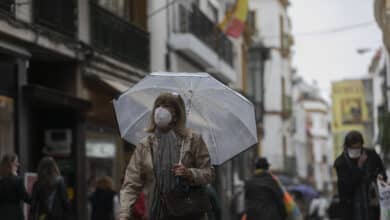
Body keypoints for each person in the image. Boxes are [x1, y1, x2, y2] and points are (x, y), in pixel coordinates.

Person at [119, 93, 213, 220]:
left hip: (189, 214)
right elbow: (131, 183)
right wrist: (124, 214)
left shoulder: (192, 140)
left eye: (167, 106)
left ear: (176, 114)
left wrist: (190, 173)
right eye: (158, 105)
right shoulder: (146, 145)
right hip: (156, 214)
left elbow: (209, 173)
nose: (160, 109)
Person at [334, 130, 387, 220]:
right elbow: (347, 188)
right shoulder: (341, 163)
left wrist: (380, 177)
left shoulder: (371, 156)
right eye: (353, 148)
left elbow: (382, 173)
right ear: (347, 147)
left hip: (372, 207)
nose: (356, 151)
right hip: (352, 210)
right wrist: (359, 167)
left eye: (358, 148)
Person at [0, 154, 31, 220]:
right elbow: (26, 197)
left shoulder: (1, 181)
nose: (18, 164)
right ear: (11, 164)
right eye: (16, 162)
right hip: (16, 215)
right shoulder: (18, 180)